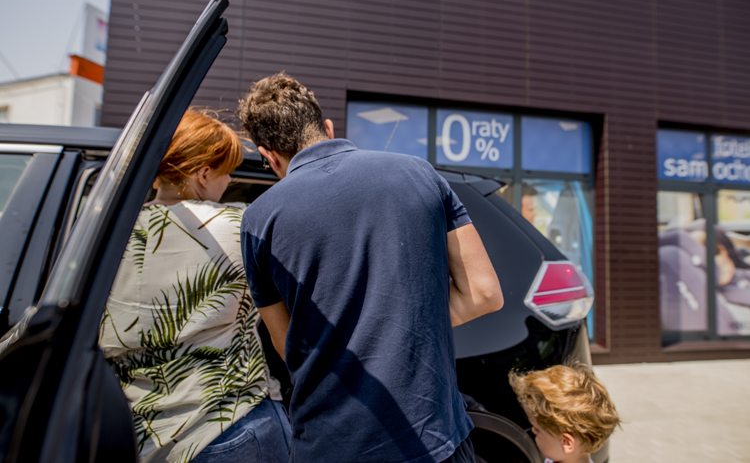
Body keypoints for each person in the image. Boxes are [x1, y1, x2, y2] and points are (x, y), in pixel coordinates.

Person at [237, 72, 504, 463]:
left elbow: (286, 344)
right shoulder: (419, 173)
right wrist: (399, 321)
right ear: (327, 128)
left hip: (332, 447)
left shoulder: (258, 220)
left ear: (269, 155)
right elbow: (484, 294)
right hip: (433, 439)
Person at [99, 109, 291, 463]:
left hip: (142, 436)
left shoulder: (110, 232)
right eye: (226, 170)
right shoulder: (236, 226)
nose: (229, 180)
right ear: (203, 174)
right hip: (232, 427)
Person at [509, 365, 621, 463]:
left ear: (566, 443)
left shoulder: (556, 453)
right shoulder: (558, 454)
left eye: (538, 430)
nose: (533, 431)